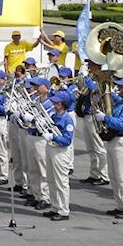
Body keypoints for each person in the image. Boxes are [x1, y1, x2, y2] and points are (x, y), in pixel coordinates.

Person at [96, 75, 123, 218]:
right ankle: (120, 205)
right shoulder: (122, 102)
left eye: (122, 87)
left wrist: (105, 118)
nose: (118, 89)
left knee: (121, 177)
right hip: (114, 140)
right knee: (113, 176)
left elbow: (121, 123)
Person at [44, 90, 75, 222]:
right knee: (51, 179)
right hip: (51, 148)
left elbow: (67, 140)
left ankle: (63, 210)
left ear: (63, 104)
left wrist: (53, 137)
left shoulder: (67, 119)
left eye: (56, 102)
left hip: (61, 152)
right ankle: (55, 207)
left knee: (61, 182)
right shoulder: (54, 115)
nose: (53, 104)